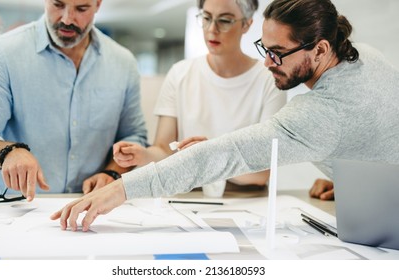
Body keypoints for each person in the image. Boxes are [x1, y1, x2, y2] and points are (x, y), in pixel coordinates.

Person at [52, 0, 399, 232]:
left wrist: (121, 190)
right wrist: (351, 173)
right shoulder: (363, 56)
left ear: (321, 49)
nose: (267, 63)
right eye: (265, 49)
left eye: (278, 53)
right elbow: (375, 131)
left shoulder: (322, 114)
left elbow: (227, 154)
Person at [0, 0, 147, 202]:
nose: (67, 19)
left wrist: (112, 173)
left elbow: (134, 136)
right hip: (10, 208)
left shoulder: (123, 62)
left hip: (90, 208)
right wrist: (8, 152)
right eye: (58, 5)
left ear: (98, 5)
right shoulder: (1, 53)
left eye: (81, 9)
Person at [113, 0, 286, 188]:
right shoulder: (180, 73)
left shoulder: (269, 80)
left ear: (247, 24)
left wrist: (209, 155)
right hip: (189, 195)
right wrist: (141, 155)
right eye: (206, 18)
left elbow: (262, 172)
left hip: (246, 199)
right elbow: (165, 149)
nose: (212, 29)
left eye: (225, 21)